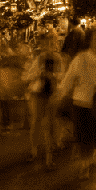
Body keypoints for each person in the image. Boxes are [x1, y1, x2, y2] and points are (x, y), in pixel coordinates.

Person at [55, 28, 96, 180]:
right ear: (90, 40)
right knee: (85, 136)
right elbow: (69, 78)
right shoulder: (81, 58)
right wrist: (60, 94)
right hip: (83, 102)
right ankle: (85, 164)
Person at [23, 30, 63, 168]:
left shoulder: (57, 58)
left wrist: (53, 76)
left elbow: (61, 75)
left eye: (52, 42)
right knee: (36, 122)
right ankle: (33, 151)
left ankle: (49, 157)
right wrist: (39, 73)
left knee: (49, 125)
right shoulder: (38, 57)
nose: (49, 45)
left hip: (52, 92)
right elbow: (28, 75)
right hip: (38, 93)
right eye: (47, 42)